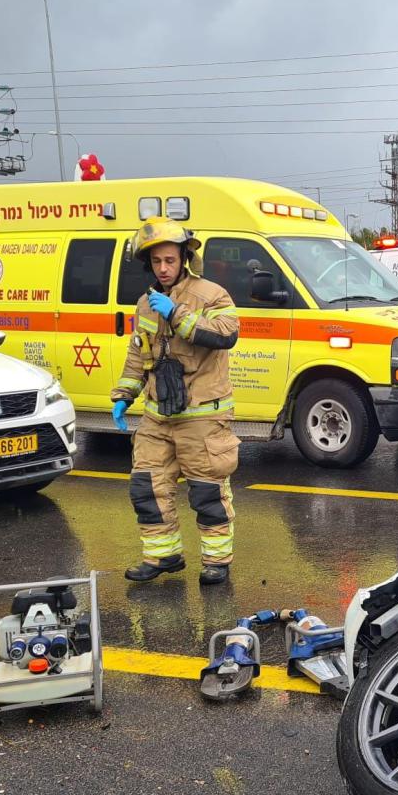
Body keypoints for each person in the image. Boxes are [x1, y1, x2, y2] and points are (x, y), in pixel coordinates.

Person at [111, 217, 241, 586]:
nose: (163, 268)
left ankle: (216, 562)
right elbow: (138, 354)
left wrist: (176, 312)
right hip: (157, 417)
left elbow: (226, 335)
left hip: (202, 418)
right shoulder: (145, 304)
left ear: (184, 258)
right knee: (146, 487)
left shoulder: (212, 295)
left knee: (207, 493)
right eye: (156, 262)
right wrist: (124, 395)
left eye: (169, 260)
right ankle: (163, 555)